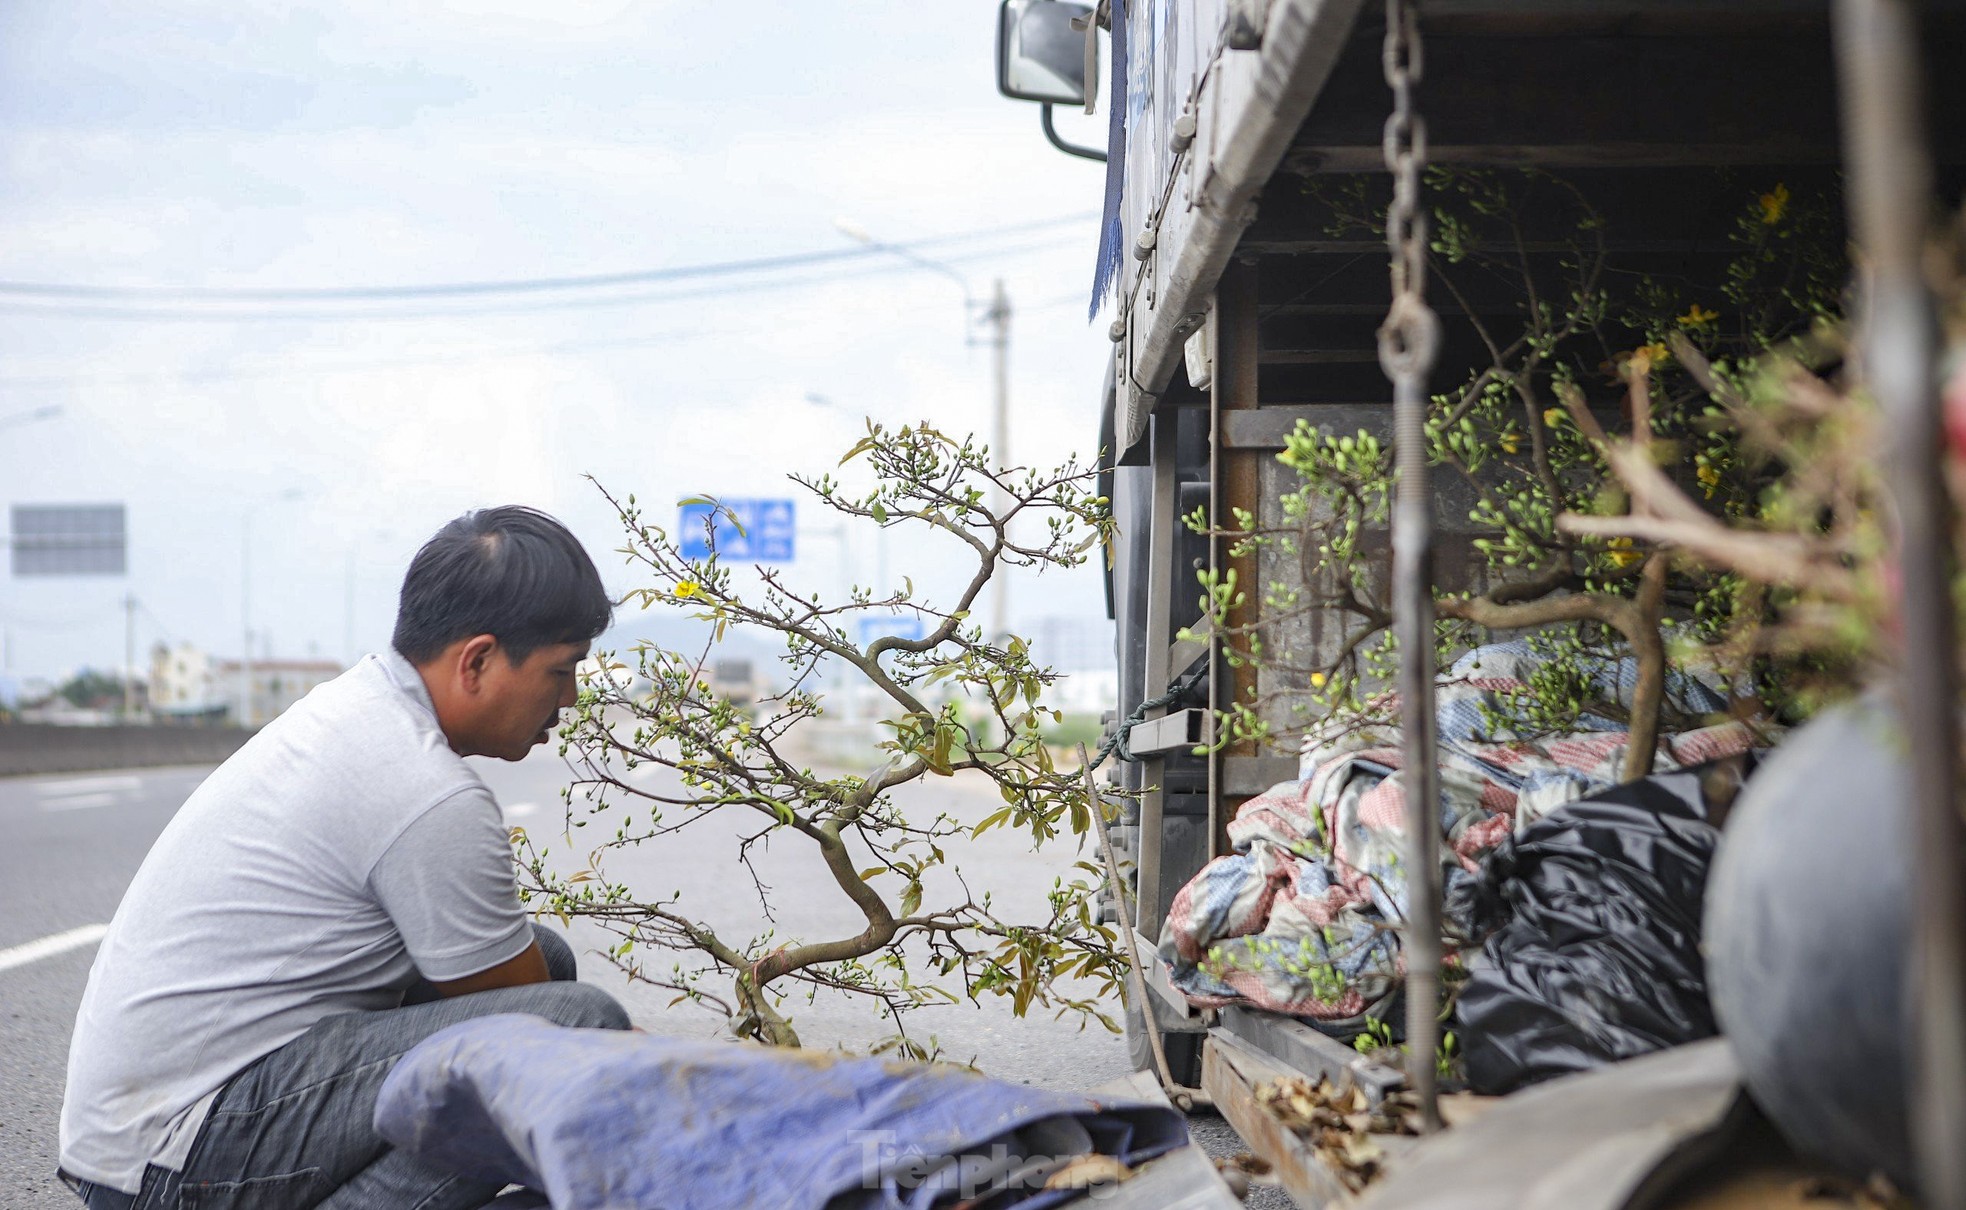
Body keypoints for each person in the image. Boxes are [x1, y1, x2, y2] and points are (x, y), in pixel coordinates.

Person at [58, 506, 632, 1210]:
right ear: (478, 660)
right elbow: (541, 1032)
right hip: (174, 1155)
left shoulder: (360, 705)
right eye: (561, 670)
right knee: (577, 1026)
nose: (570, 699)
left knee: (546, 965)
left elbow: (518, 990)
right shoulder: (422, 788)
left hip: (140, 1136)